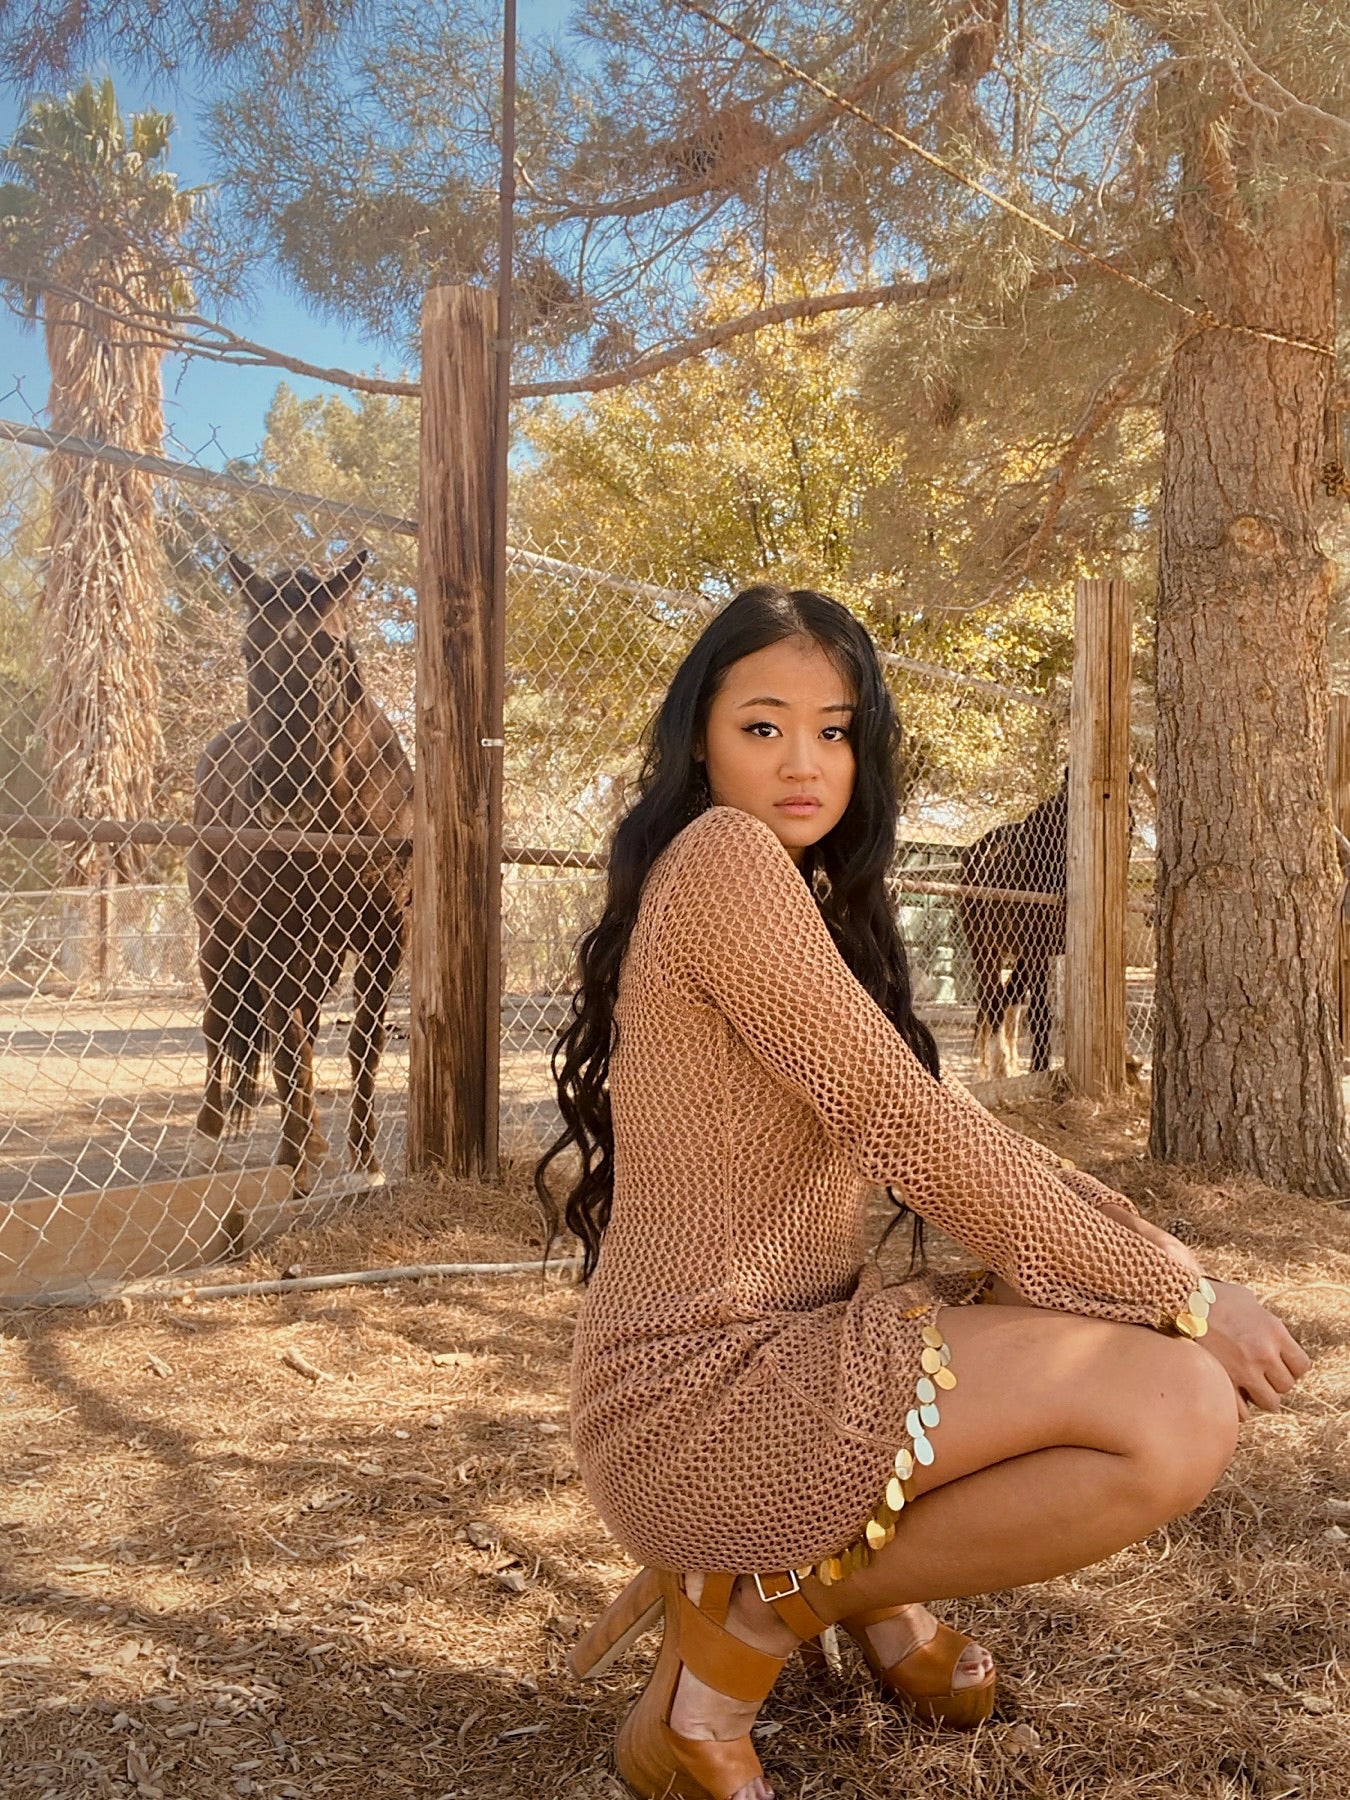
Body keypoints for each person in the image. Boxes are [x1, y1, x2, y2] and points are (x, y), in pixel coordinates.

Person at [534, 585, 1310, 1800]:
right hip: (697, 1399)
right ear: (701, 737)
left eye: (834, 731)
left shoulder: (796, 891)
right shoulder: (728, 861)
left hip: (785, 1350)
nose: (805, 762)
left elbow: (942, 1130)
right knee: (1179, 1407)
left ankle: (861, 1596)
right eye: (764, 726)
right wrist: (1188, 1290)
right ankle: (745, 1630)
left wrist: (1151, 1275)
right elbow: (914, 1129)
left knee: (1113, 1328)